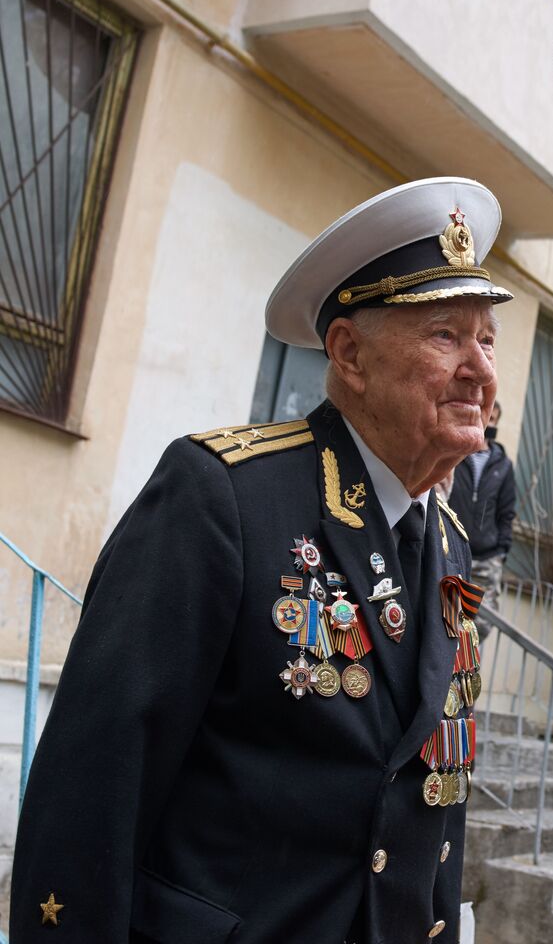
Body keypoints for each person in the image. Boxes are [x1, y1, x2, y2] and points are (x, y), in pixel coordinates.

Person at [9, 177, 513, 943]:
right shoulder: (223, 496)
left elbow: (435, 788)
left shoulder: (447, 536)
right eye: (446, 335)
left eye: (486, 338)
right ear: (349, 354)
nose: (480, 368)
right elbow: (96, 783)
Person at [449, 400, 517, 637]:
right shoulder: (455, 454)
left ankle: (465, 670)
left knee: (482, 626)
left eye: (496, 419)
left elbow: (507, 513)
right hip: (452, 551)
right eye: (488, 417)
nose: (491, 423)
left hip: (487, 559)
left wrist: (501, 552)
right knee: (445, 618)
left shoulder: (504, 466)